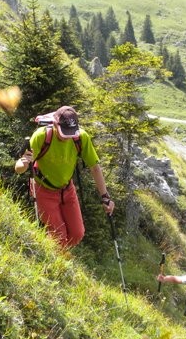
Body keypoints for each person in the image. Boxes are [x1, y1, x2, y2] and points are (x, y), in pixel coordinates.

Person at [14, 106, 115, 248]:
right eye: (64, 132)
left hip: (67, 189)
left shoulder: (80, 137)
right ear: (55, 124)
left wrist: (105, 196)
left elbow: (94, 167)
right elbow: (19, 169)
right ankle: (54, 262)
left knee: (77, 234)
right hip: (43, 189)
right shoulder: (42, 136)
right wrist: (23, 163)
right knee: (58, 236)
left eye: (70, 133)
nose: (67, 137)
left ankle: (53, 252)